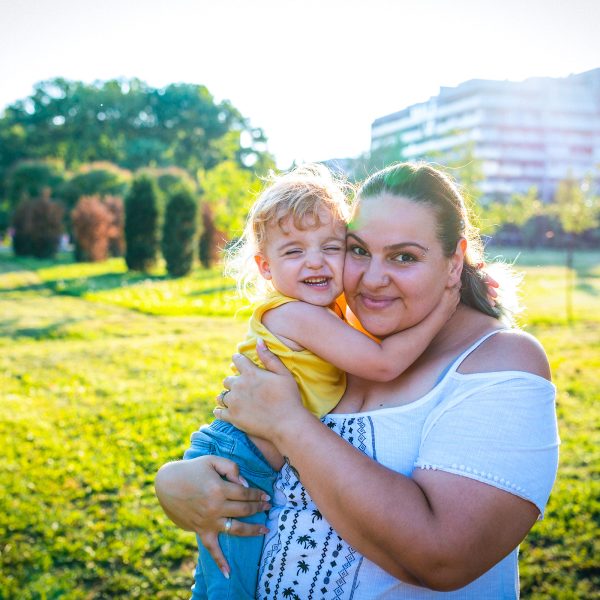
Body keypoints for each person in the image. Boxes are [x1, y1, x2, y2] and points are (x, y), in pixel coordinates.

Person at [156, 162, 559, 599]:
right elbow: (235, 442)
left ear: (454, 261)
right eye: (359, 250)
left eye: (404, 256)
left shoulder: (499, 362)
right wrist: (173, 485)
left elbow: (444, 558)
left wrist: (288, 424)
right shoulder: (346, 342)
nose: (371, 278)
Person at [180, 164, 459, 599]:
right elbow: (383, 364)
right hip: (238, 460)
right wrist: (445, 305)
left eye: (332, 247)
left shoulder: (325, 310)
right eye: (293, 252)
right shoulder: (295, 313)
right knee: (228, 581)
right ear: (265, 267)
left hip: (253, 457)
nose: (315, 261)